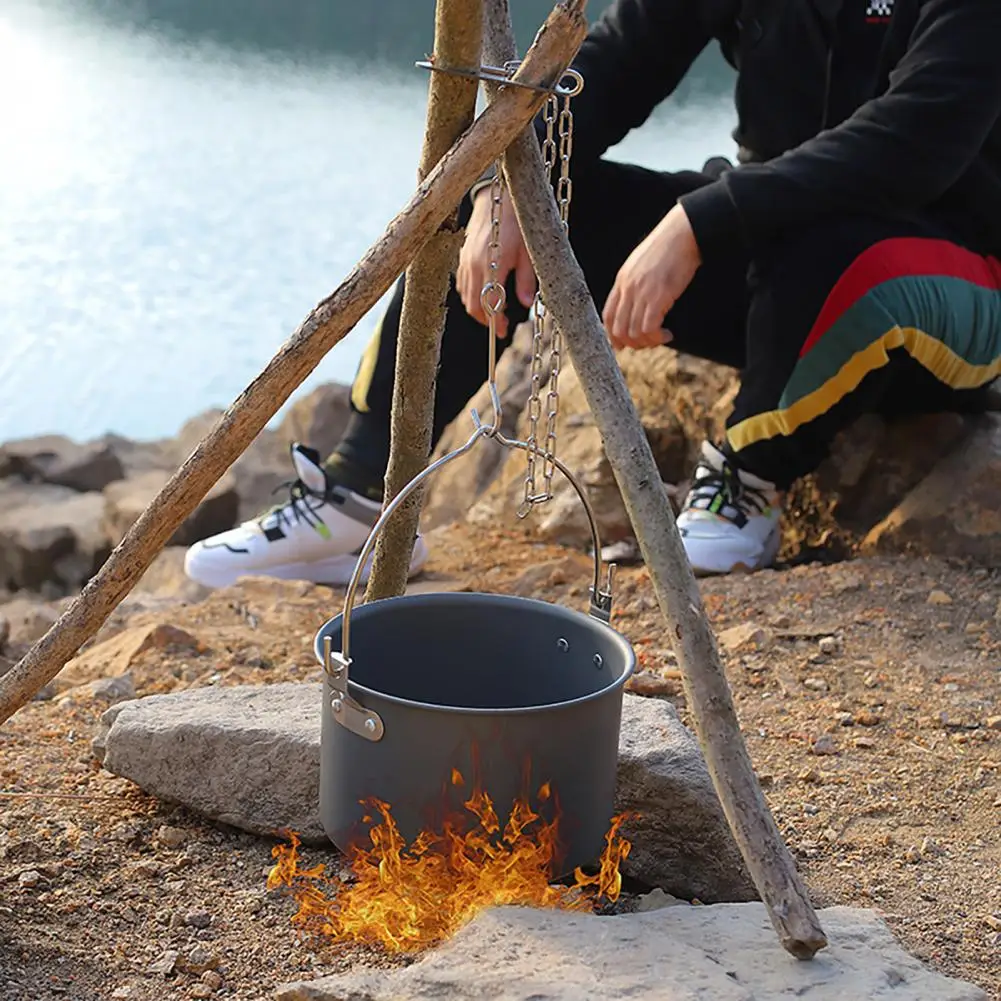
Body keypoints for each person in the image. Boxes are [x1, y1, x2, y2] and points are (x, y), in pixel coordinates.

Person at [184, 0, 1001, 589]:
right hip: (781, 267)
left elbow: (916, 141)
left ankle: (746, 480)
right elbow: (610, 67)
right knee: (507, 200)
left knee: (837, 249)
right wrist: (503, 188)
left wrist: (699, 221)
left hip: (951, 283)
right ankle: (361, 489)